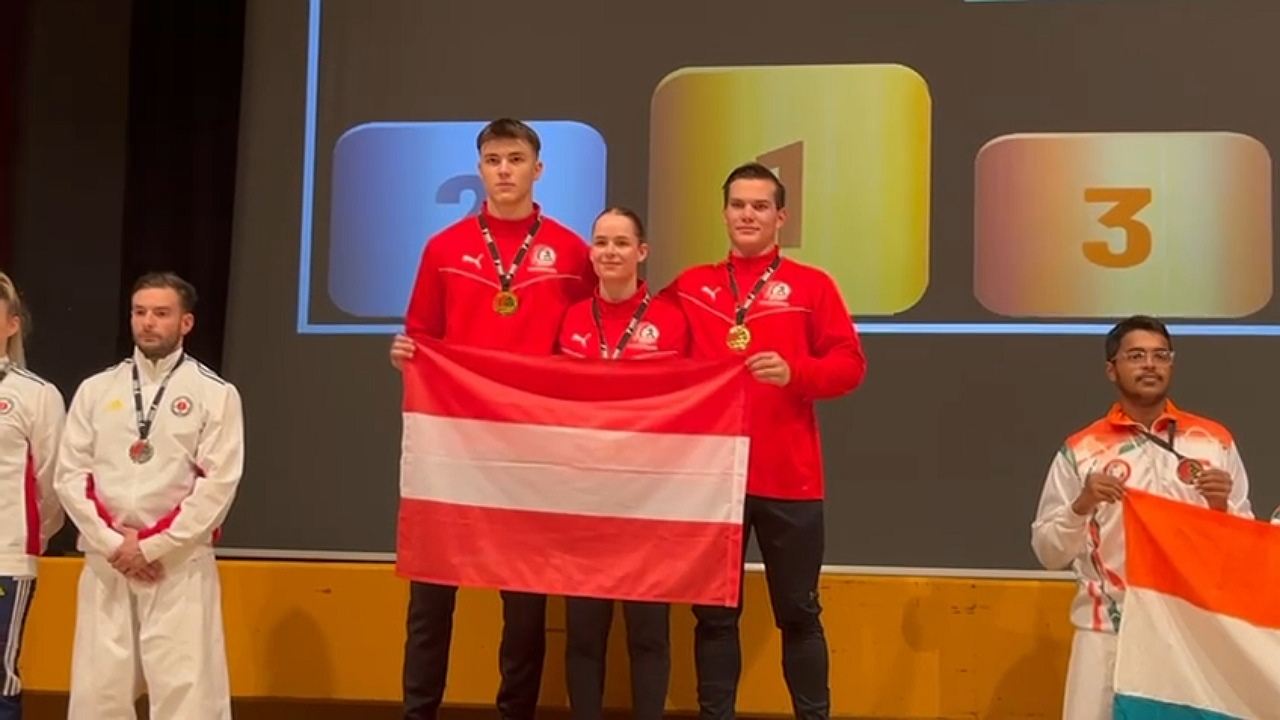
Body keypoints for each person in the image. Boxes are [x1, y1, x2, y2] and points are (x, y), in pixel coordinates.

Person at [389, 118, 596, 720]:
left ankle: (517, 712)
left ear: (539, 168)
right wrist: (406, 355)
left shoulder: (572, 251)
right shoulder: (444, 248)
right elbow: (421, 335)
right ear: (479, 169)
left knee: (525, 600)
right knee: (431, 594)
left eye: (515, 158)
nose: (504, 169)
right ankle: (418, 711)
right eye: (492, 159)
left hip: (531, 449)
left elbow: (589, 337)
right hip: (453, 446)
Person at [662, 162, 867, 720]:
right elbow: (643, 340)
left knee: (799, 614)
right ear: (724, 212)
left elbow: (850, 366)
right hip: (713, 479)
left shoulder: (812, 286)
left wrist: (796, 372)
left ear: (781, 216)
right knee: (715, 616)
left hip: (790, 479)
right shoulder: (691, 286)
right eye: (737, 205)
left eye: (759, 206)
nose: (746, 215)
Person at [1030, 315, 1254, 720]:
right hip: (1107, 635)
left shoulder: (1213, 442)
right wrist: (1081, 504)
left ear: (1172, 363)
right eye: (1136, 356)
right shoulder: (1082, 450)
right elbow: (1048, 552)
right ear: (1111, 369)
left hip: (1193, 639)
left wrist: (1221, 509)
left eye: (1160, 355)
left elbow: (1240, 557)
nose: (1150, 364)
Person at [54, 271, 245, 720]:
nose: (148, 323)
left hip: (178, 563)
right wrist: (115, 544)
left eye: (161, 313)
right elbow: (70, 475)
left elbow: (218, 483)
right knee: (99, 688)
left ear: (186, 323)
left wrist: (154, 544)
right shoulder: (97, 390)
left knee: (187, 689)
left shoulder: (214, 394)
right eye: (140, 312)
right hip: (108, 562)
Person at [555, 207, 687, 720]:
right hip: (584, 501)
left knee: (648, 634)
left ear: (642, 252)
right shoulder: (570, 319)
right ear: (591, 252)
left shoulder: (672, 320)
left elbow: (695, 399)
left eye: (621, 243)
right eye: (601, 242)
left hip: (648, 501)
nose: (610, 252)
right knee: (584, 634)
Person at [0, 273, 65, 720]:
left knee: (0, 676)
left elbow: (53, 482)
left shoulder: (36, 395)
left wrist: (29, 541)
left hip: (5, 556)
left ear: (12, 324)